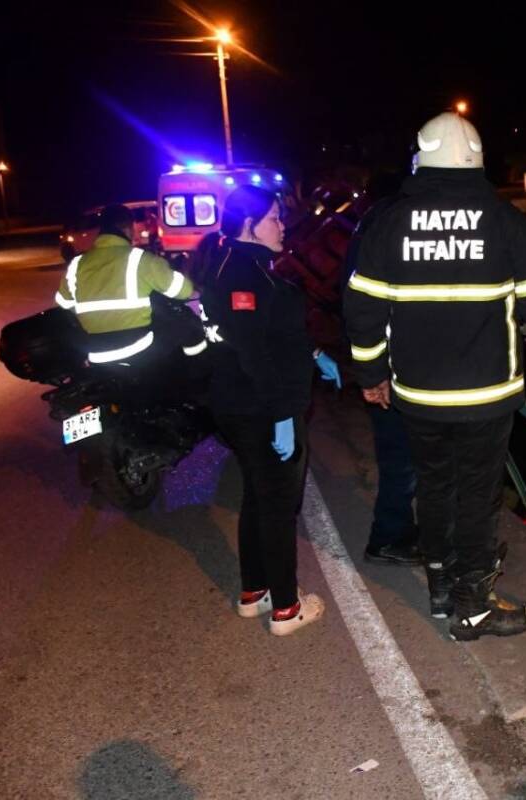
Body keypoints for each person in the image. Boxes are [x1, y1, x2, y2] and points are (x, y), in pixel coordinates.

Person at [344, 112, 526, 641]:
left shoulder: (389, 223)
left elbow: (362, 310)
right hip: (487, 397)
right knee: (477, 494)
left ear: (420, 160)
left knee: (436, 486)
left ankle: (442, 584)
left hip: (417, 395)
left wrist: (371, 373)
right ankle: (473, 607)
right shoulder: (505, 221)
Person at [192, 185, 342, 636]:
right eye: (275, 217)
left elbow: (272, 333)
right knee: (278, 503)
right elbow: (253, 350)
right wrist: (281, 413)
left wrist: (314, 353)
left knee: (259, 497)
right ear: (248, 225)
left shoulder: (237, 265)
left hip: (239, 405)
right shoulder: (245, 274)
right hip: (260, 406)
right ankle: (286, 609)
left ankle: (254, 591)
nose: (283, 225)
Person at [340, 172, 420, 567]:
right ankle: (388, 537)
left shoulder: (370, 224)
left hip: (385, 361)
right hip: (395, 364)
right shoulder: (392, 224)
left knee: (400, 454)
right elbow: (371, 306)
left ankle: (399, 531)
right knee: (400, 456)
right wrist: (376, 372)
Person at [54, 204, 204, 365]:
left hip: (95, 349)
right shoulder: (141, 259)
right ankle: (197, 374)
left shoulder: (77, 264)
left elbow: (63, 302)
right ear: (128, 228)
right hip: (136, 347)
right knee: (187, 323)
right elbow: (185, 291)